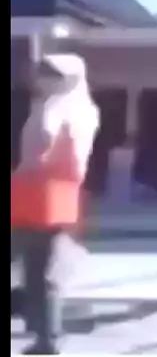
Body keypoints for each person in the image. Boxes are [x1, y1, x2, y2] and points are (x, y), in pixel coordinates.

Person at [10, 54, 101, 355]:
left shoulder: (52, 108)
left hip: (35, 195)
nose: (41, 79)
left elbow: (41, 150)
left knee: (38, 271)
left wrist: (25, 170)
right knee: (43, 271)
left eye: (48, 75)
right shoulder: (86, 109)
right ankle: (45, 336)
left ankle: (45, 336)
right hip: (61, 198)